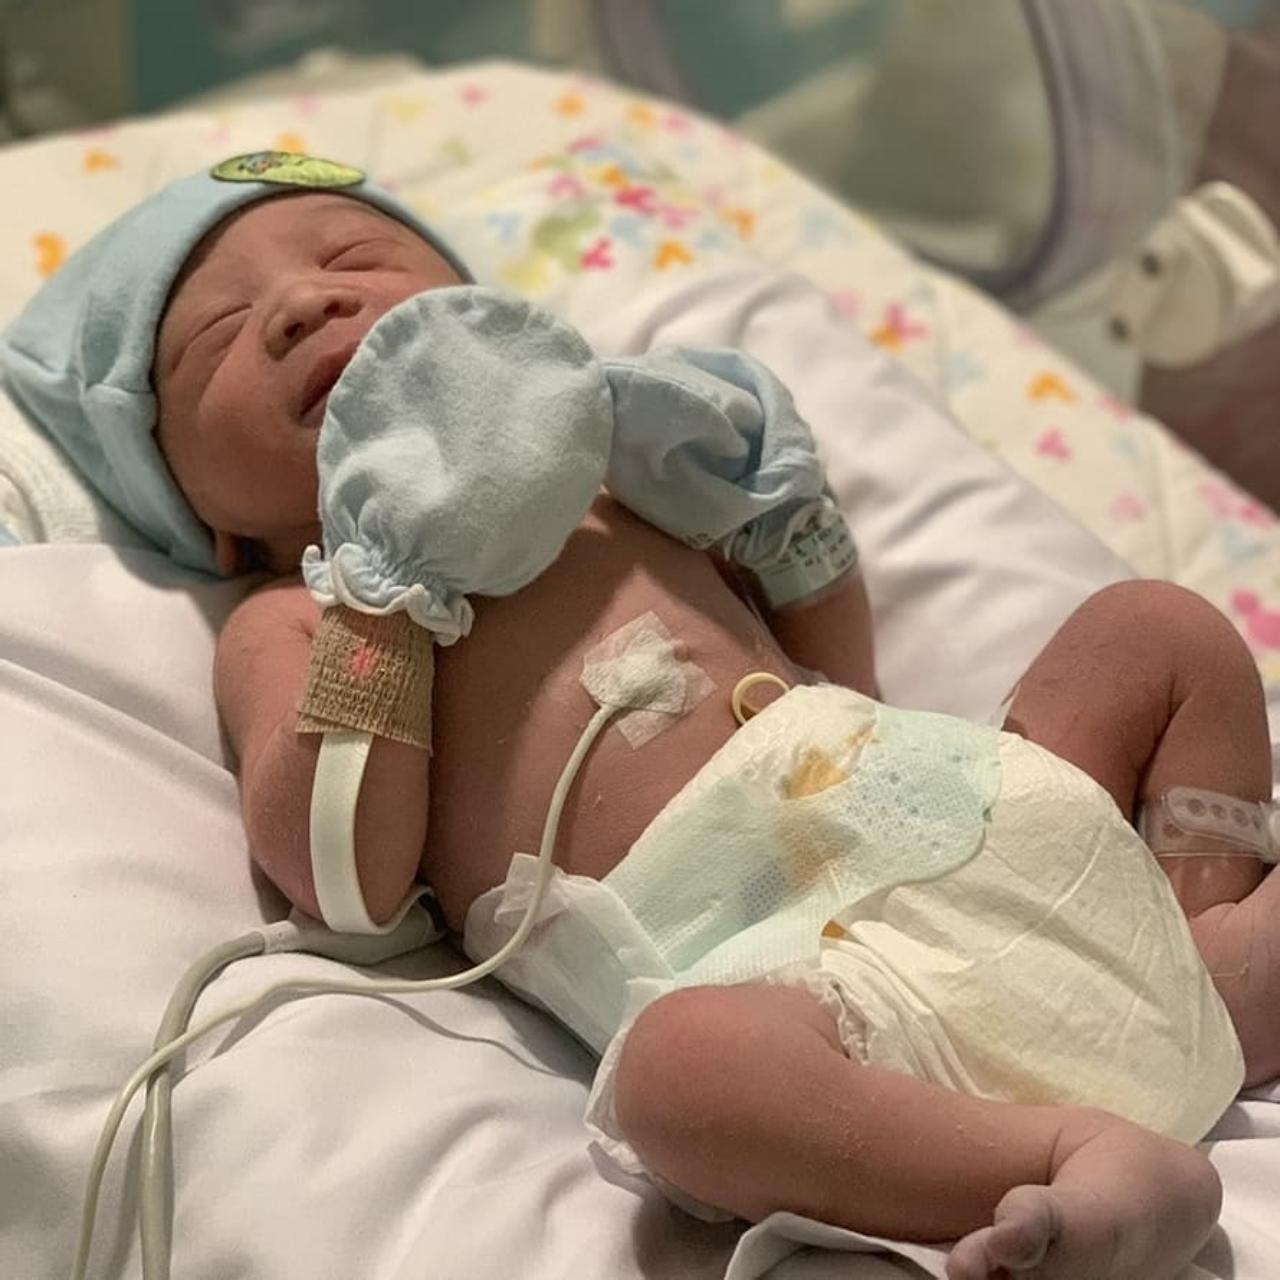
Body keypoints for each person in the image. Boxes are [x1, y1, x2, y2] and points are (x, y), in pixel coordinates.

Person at [2, 155, 1276, 1280]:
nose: (302, 303)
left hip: (949, 801)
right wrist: (386, 596)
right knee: (680, 1079)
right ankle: (1060, 1152)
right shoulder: (295, 615)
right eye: (218, 337)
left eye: (355, 254)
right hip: (787, 971)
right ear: (209, 517)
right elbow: (346, 876)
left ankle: (1192, 946)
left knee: (1155, 629)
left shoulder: (613, 493)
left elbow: (833, 670)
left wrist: (780, 516)